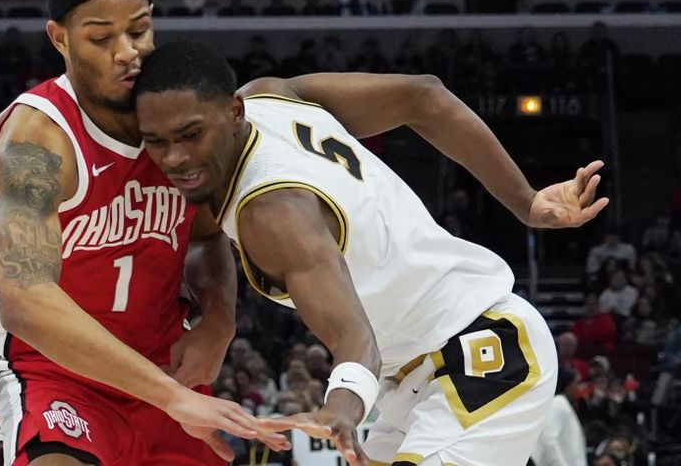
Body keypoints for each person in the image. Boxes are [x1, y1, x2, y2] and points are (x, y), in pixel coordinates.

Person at [133, 41, 609, 466]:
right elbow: (424, 96)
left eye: (190, 135)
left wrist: (341, 408)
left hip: (481, 353)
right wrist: (524, 201)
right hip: (410, 381)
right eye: (156, 141)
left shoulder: (273, 212)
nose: (174, 158)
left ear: (233, 113)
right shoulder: (272, 96)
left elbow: (355, 336)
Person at [0, 0, 290, 466]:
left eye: (140, 30)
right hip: (57, 373)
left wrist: (218, 320)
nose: (127, 51)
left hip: (164, 366)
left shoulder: (178, 119)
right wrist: (172, 397)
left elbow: (208, 236)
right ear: (59, 38)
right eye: (101, 37)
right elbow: (25, 299)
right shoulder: (35, 137)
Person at [530, 367, 587, 466]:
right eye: (576, 383)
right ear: (568, 385)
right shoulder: (557, 403)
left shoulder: (563, 404)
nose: (579, 388)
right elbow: (549, 439)